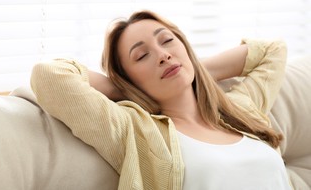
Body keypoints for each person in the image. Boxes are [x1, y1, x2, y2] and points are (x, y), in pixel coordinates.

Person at [30, 10, 292, 189]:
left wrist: (193, 69)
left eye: (167, 41)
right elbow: (50, 75)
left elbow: (273, 51)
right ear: (129, 79)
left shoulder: (241, 109)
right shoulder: (135, 131)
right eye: (142, 56)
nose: (162, 55)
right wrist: (127, 89)